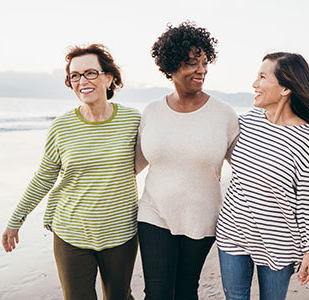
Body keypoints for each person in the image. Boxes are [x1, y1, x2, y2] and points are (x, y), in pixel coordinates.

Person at [1, 44, 141, 300]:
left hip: (120, 233)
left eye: (90, 73)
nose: (82, 81)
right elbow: (44, 177)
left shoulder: (134, 121)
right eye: (74, 76)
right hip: (71, 233)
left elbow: (161, 154)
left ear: (109, 78)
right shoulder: (62, 127)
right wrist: (15, 221)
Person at [216, 52, 309, 300]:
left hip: (279, 242)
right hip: (233, 231)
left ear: (286, 88)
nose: (255, 84)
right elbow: (217, 148)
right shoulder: (247, 121)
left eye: (263, 77)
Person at [135, 21, 240, 300]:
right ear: (170, 66)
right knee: (157, 293)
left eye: (204, 62)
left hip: (201, 218)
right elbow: (133, 164)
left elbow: (245, 168)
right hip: (153, 212)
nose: (201, 70)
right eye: (192, 63)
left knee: (184, 291)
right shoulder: (152, 111)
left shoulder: (224, 114)